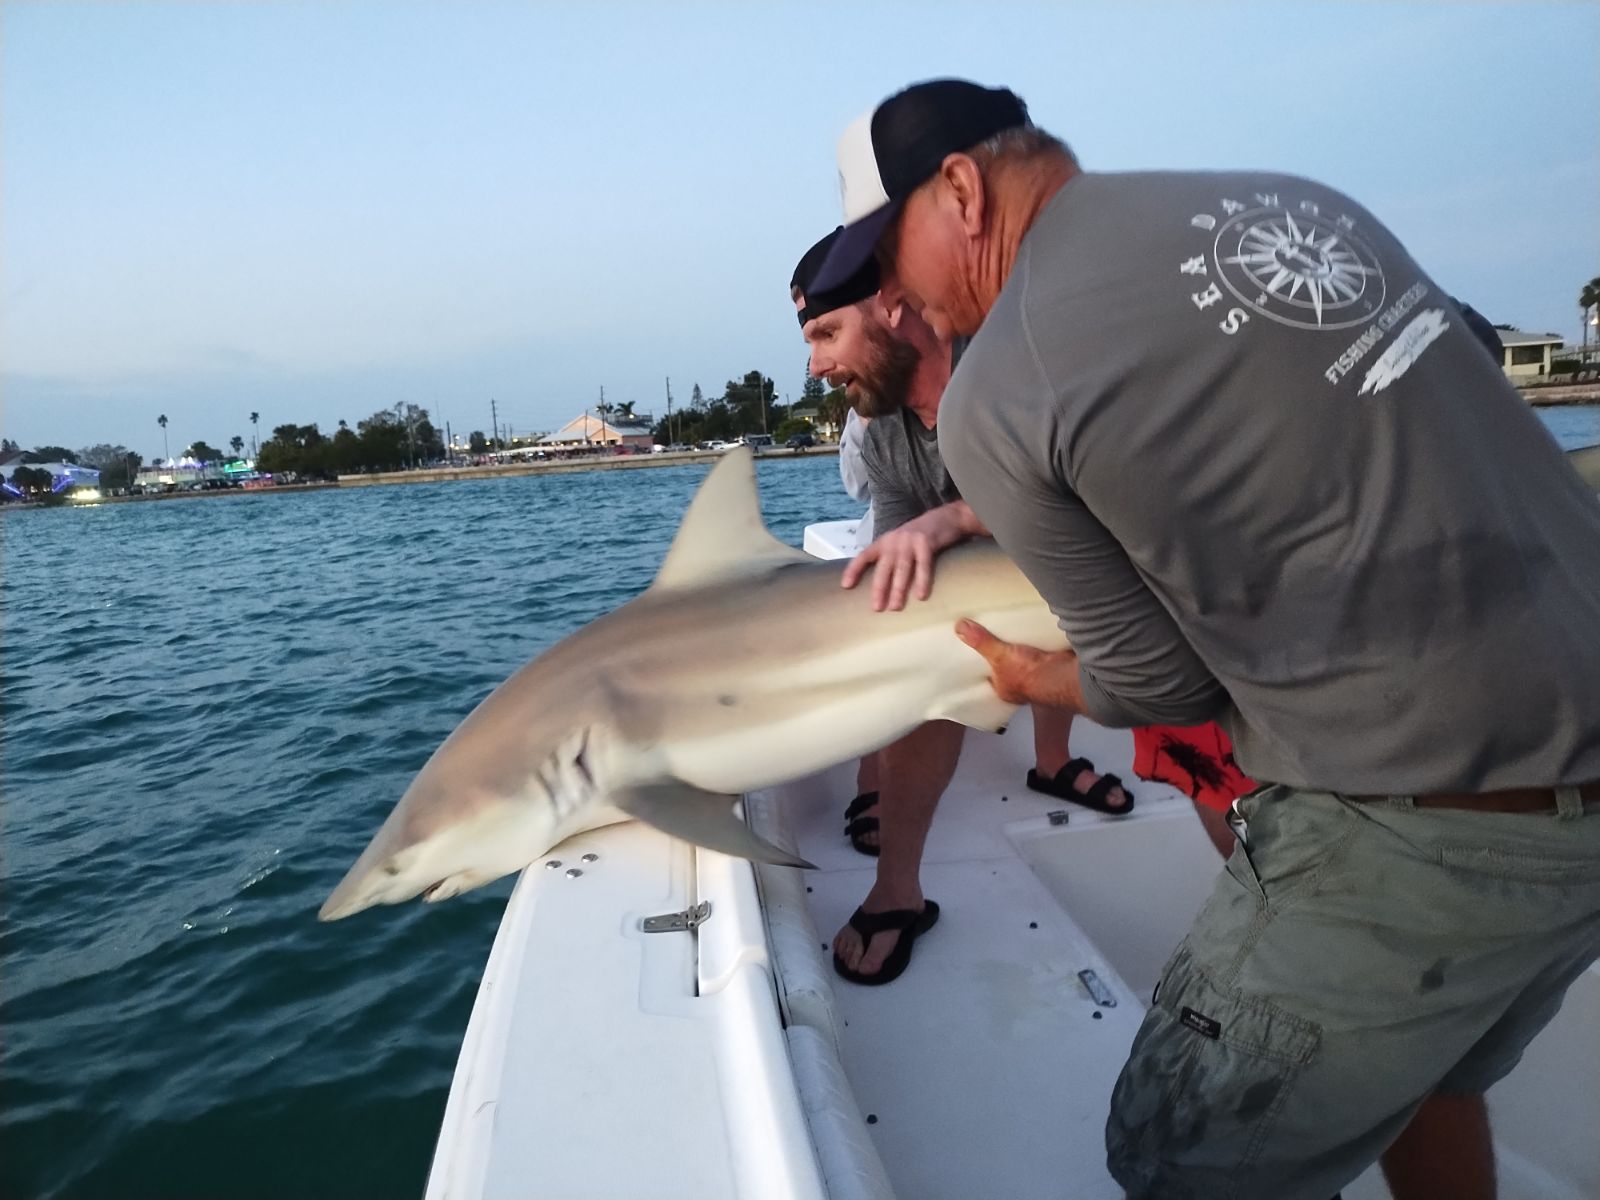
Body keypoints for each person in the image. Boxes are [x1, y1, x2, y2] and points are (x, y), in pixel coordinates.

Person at [812, 78, 1600, 1200]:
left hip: (1429, 817)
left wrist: (1031, 677)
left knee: (1174, 1149)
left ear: (961, 192)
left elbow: (1154, 682)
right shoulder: (1292, 204)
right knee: (1423, 1075)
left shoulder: (1002, 385)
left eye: (887, 257)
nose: (893, 295)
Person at [791, 228, 1131, 987]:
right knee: (929, 651)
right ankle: (898, 890)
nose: (814, 366)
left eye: (826, 334)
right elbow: (902, 570)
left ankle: (1053, 760)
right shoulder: (885, 433)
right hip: (1012, 594)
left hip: (1128, 585)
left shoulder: (1020, 368)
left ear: (891, 305)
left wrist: (960, 516)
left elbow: (1116, 495)